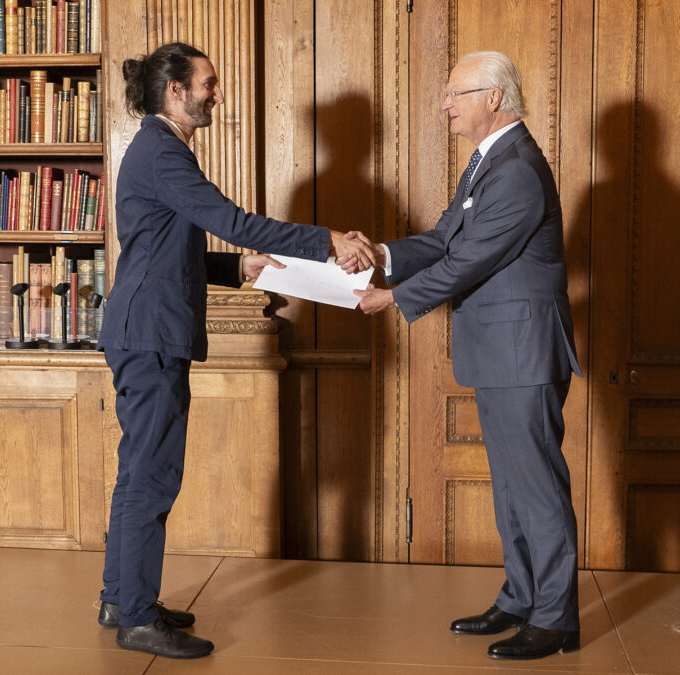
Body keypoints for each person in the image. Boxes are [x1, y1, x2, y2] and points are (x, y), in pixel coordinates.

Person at [96, 42, 375, 660]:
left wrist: (236, 267)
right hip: (150, 333)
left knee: (138, 471)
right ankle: (137, 617)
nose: (216, 94)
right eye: (210, 84)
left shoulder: (155, 147)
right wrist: (325, 240)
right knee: (153, 476)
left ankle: (121, 597)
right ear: (176, 90)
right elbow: (234, 218)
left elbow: (163, 247)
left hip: (142, 328)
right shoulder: (162, 150)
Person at [352, 51, 582, 661]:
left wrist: (393, 297)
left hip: (523, 352)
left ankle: (556, 618)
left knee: (535, 486)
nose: (446, 105)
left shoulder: (517, 171)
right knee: (512, 486)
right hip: (501, 351)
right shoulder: (489, 163)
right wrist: (382, 254)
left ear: (494, 99)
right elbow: (445, 238)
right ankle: (521, 598)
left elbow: (469, 262)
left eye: (456, 94)